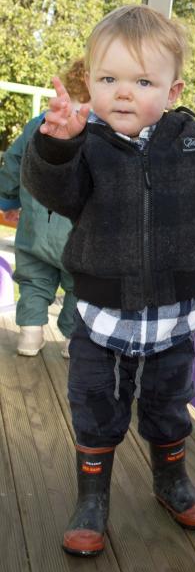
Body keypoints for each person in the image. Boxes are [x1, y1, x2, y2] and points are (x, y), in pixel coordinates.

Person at [22, 4, 195, 557]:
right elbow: (51, 191)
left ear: (173, 87)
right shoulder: (86, 144)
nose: (124, 93)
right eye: (109, 79)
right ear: (89, 82)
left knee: (168, 405)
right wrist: (57, 145)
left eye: (142, 81)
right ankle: (92, 497)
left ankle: (171, 480)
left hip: (173, 319)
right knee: (95, 406)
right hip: (101, 321)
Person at [0, 58, 89, 357]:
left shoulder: (40, 124)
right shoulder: (95, 134)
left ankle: (29, 335)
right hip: (78, 234)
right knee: (80, 287)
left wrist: (8, 200)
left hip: (35, 227)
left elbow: (13, 164)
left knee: (34, 279)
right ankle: (72, 341)